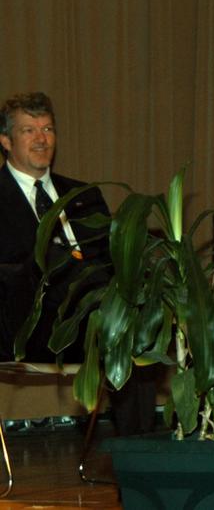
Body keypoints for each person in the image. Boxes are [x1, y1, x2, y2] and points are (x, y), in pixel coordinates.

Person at [0, 91, 157, 435]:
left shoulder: (84, 195)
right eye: (29, 131)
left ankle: (141, 451)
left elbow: (109, 260)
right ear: (6, 141)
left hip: (94, 317)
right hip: (26, 322)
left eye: (48, 129)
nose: (42, 140)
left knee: (139, 320)